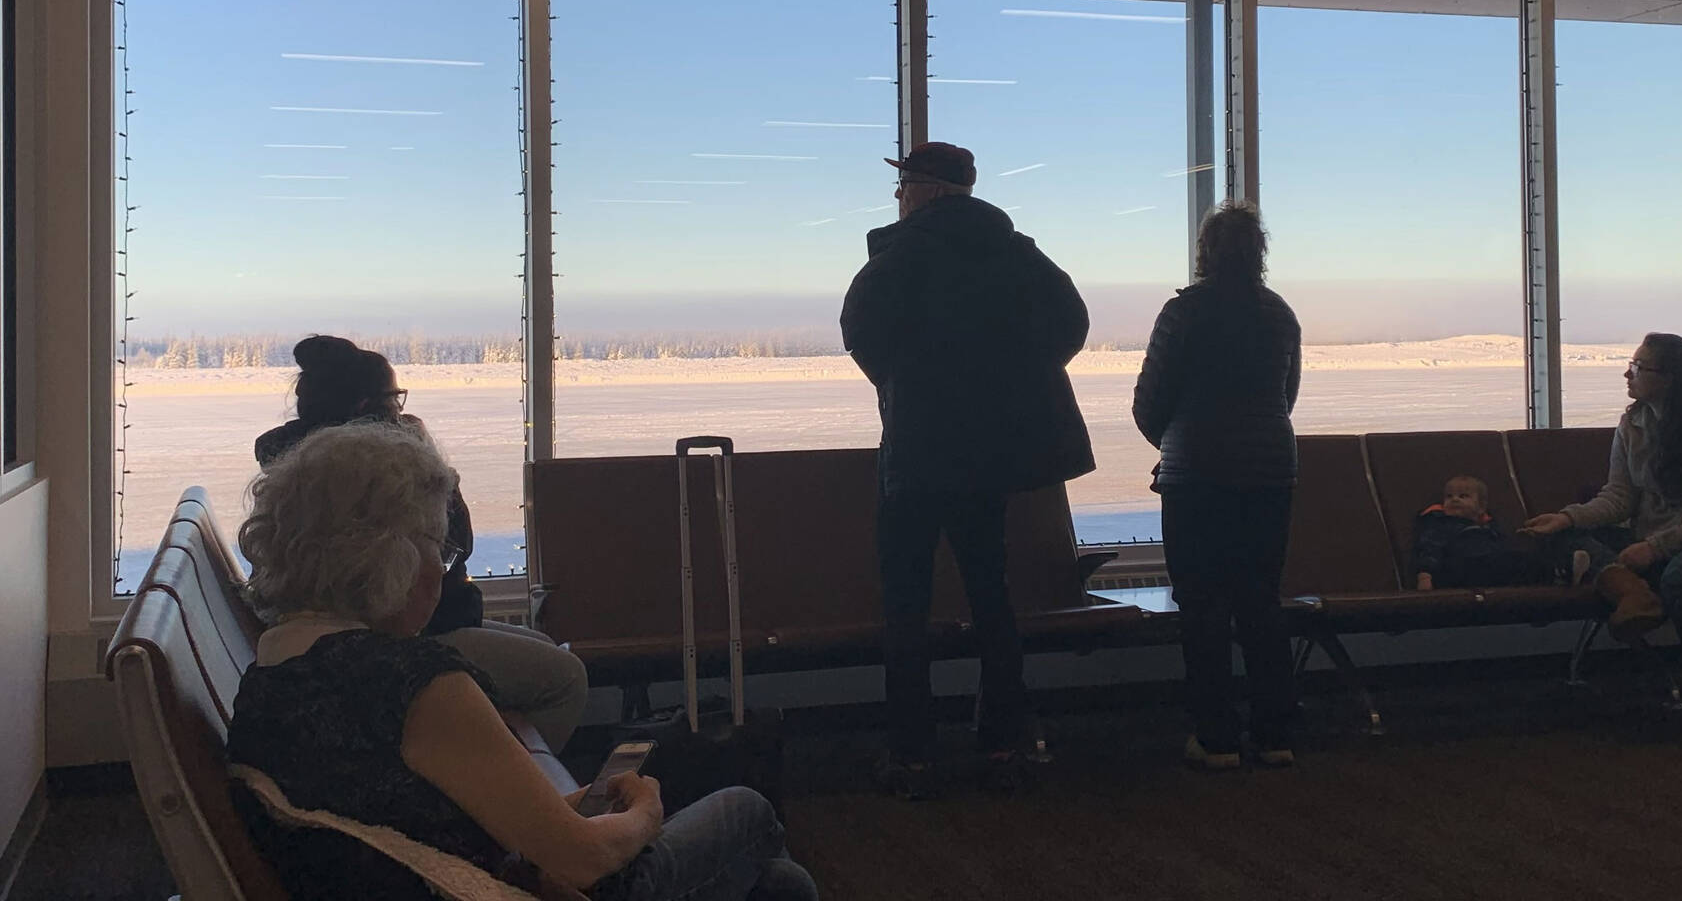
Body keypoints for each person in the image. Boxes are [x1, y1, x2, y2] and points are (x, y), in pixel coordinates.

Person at [228, 422, 816, 901]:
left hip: (411, 873)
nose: (443, 569)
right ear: (392, 559)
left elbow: (425, 805)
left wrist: (561, 811)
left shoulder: (278, 667)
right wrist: (646, 813)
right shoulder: (417, 687)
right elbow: (583, 861)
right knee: (748, 812)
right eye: (440, 547)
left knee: (777, 885)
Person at [840, 141, 1094, 797]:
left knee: (906, 604)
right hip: (991, 456)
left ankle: (912, 751)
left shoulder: (903, 253)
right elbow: (1070, 322)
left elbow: (860, 328)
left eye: (902, 188)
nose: (898, 199)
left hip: (918, 451)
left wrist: (900, 388)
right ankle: (1004, 738)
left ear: (924, 188)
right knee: (992, 595)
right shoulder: (1017, 251)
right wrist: (1014, 383)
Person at [255, 335, 588, 751]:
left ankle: (494, 748)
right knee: (566, 678)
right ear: (367, 409)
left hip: (361, 633)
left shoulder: (297, 469)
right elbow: (455, 544)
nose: (401, 409)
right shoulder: (377, 475)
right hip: (397, 636)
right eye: (395, 400)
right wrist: (424, 457)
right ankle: (510, 771)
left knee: (541, 647)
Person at [1519, 331, 1682, 747]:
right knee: (1563, 537)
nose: (1627, 374)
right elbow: (1618, 498)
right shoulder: (1633, 423)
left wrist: (1655, 547)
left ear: (1670, 377)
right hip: (1653, 543)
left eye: (1637, 367)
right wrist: (1566, 518)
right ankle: (1631, 592)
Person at [1133, 203, 1301, 771]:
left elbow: (1151, 400)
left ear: (1204, 253)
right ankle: (1276, 733)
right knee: (1261, 600)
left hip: (1196, 474)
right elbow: (1286, 396)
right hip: (1271, 470)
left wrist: (1175, 441)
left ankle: (1217, 736)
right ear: (1259, 252)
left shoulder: (1184, 314)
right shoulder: (1279, 315)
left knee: (1201, 604)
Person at [1413, 475, 1569, 591]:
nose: (1454, 499)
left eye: (1463, 496)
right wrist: (1425, 575)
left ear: (1481, 507)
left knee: (1520, 560)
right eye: (1449, 496)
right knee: (1509, 562)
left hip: (1486, 566)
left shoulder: (1488, 527)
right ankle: (1560, 572)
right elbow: (1428, 549)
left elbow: (1500, 545)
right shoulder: (1439, 524)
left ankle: (1562, 570)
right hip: (1455, 568)